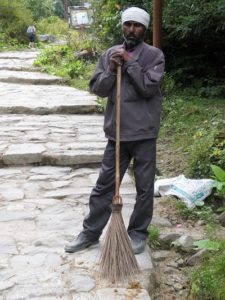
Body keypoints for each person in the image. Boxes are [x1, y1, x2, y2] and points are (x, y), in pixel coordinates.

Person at [65, 6, 165, 254]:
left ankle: (138, 234)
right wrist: (111, 69)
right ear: (122, 26)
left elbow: (148, 88)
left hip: (144, 134)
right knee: (103, 187)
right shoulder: (111, 53)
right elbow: (97, 89)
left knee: (144, 188)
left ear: (145, 28)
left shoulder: (154, 55)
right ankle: (90, 233)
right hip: (117, 133)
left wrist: (130, 65)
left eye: (137, 25)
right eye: (128, 24)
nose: (132, 29)